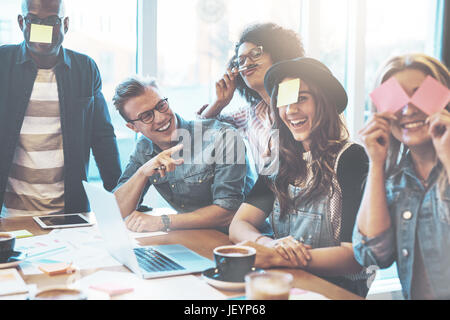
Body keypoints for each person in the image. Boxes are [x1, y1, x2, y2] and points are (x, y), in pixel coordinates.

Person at [229, 57, 371, 297]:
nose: (291, 110)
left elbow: (354, 256)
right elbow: (238, 225)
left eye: (302, 99)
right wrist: (268, 244)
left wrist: (277, 257)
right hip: (288, 283)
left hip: (335, 291)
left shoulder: (352, 158)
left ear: (324, 103)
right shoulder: (279, 160)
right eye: (284, 102)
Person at [0, 0, 121, 217]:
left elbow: (103, 138)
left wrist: (121, 197)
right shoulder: (3, 62)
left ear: (65, 24)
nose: (43, 29)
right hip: (10, 214)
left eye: (51, 21)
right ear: (21, 23)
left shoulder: (85, 68)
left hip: (70, 213)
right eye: (34, 20)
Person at [353, 54, 450, 300]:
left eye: (420, 95)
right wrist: (376, 162)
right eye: (397, 101)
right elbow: (371, 255)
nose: (408, 109)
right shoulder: (394, 183)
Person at [112, 77, 256, 234]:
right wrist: (142, 172)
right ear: (132, 127)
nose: (160, 118)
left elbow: (228, 213)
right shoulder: (144, 147)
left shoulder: (223, 136)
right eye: (146, 116)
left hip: (238, 243)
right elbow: (117, 210)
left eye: (161, 105)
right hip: (193, 238)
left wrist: (163, 222)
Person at [197, 22, 305, 176]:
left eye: (255, 54)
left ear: (278, 53)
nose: (247, 63)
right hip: (268, 197)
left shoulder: (303, 102)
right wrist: (219, 103)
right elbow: (199, 135)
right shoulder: (250, 114)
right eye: (240, 61)